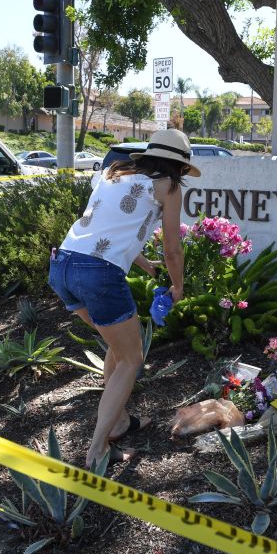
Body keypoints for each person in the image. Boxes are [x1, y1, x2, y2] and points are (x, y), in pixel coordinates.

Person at [48, 129, 199, 468]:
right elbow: (173, 248)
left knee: (118, 348)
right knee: (132, 359)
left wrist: (144, 263)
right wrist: (178, 286)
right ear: (178, 167)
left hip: (62, 266)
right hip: (97, 275)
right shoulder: (168, 187)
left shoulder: (112, 173)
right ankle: (98, 449)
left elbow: (107, 225)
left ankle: (117, 421)